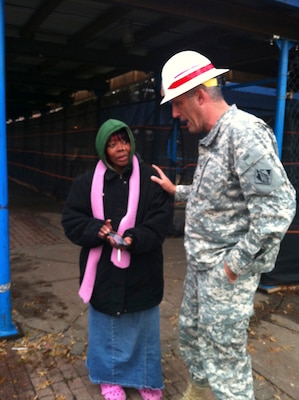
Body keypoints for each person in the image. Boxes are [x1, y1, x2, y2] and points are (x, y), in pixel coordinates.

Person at [151, 50, 297, 400]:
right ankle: (200, 391)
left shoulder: (244, 134)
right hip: (201, 267)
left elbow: (278, 208)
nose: (173, 113)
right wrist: (177, 190)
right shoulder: (213, 139)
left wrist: (233, 267)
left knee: (225, 358)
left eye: (176, 103)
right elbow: (215, 196)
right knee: (190, 333)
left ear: (200, 95)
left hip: (224, 273)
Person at [61, 119, 171, 400]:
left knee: (142, 326)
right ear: (103, 149)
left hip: (142, 268)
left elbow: (160, 220)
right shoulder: (86, 182)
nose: (120, 148)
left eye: (124, 141)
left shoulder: (150, 179)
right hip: (104, 271)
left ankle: (146, 379)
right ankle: (109, 379)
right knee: (106, 328)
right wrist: (96, 230)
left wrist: (134, 238)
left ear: (132, 142)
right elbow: (72, 220)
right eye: (112, 144)